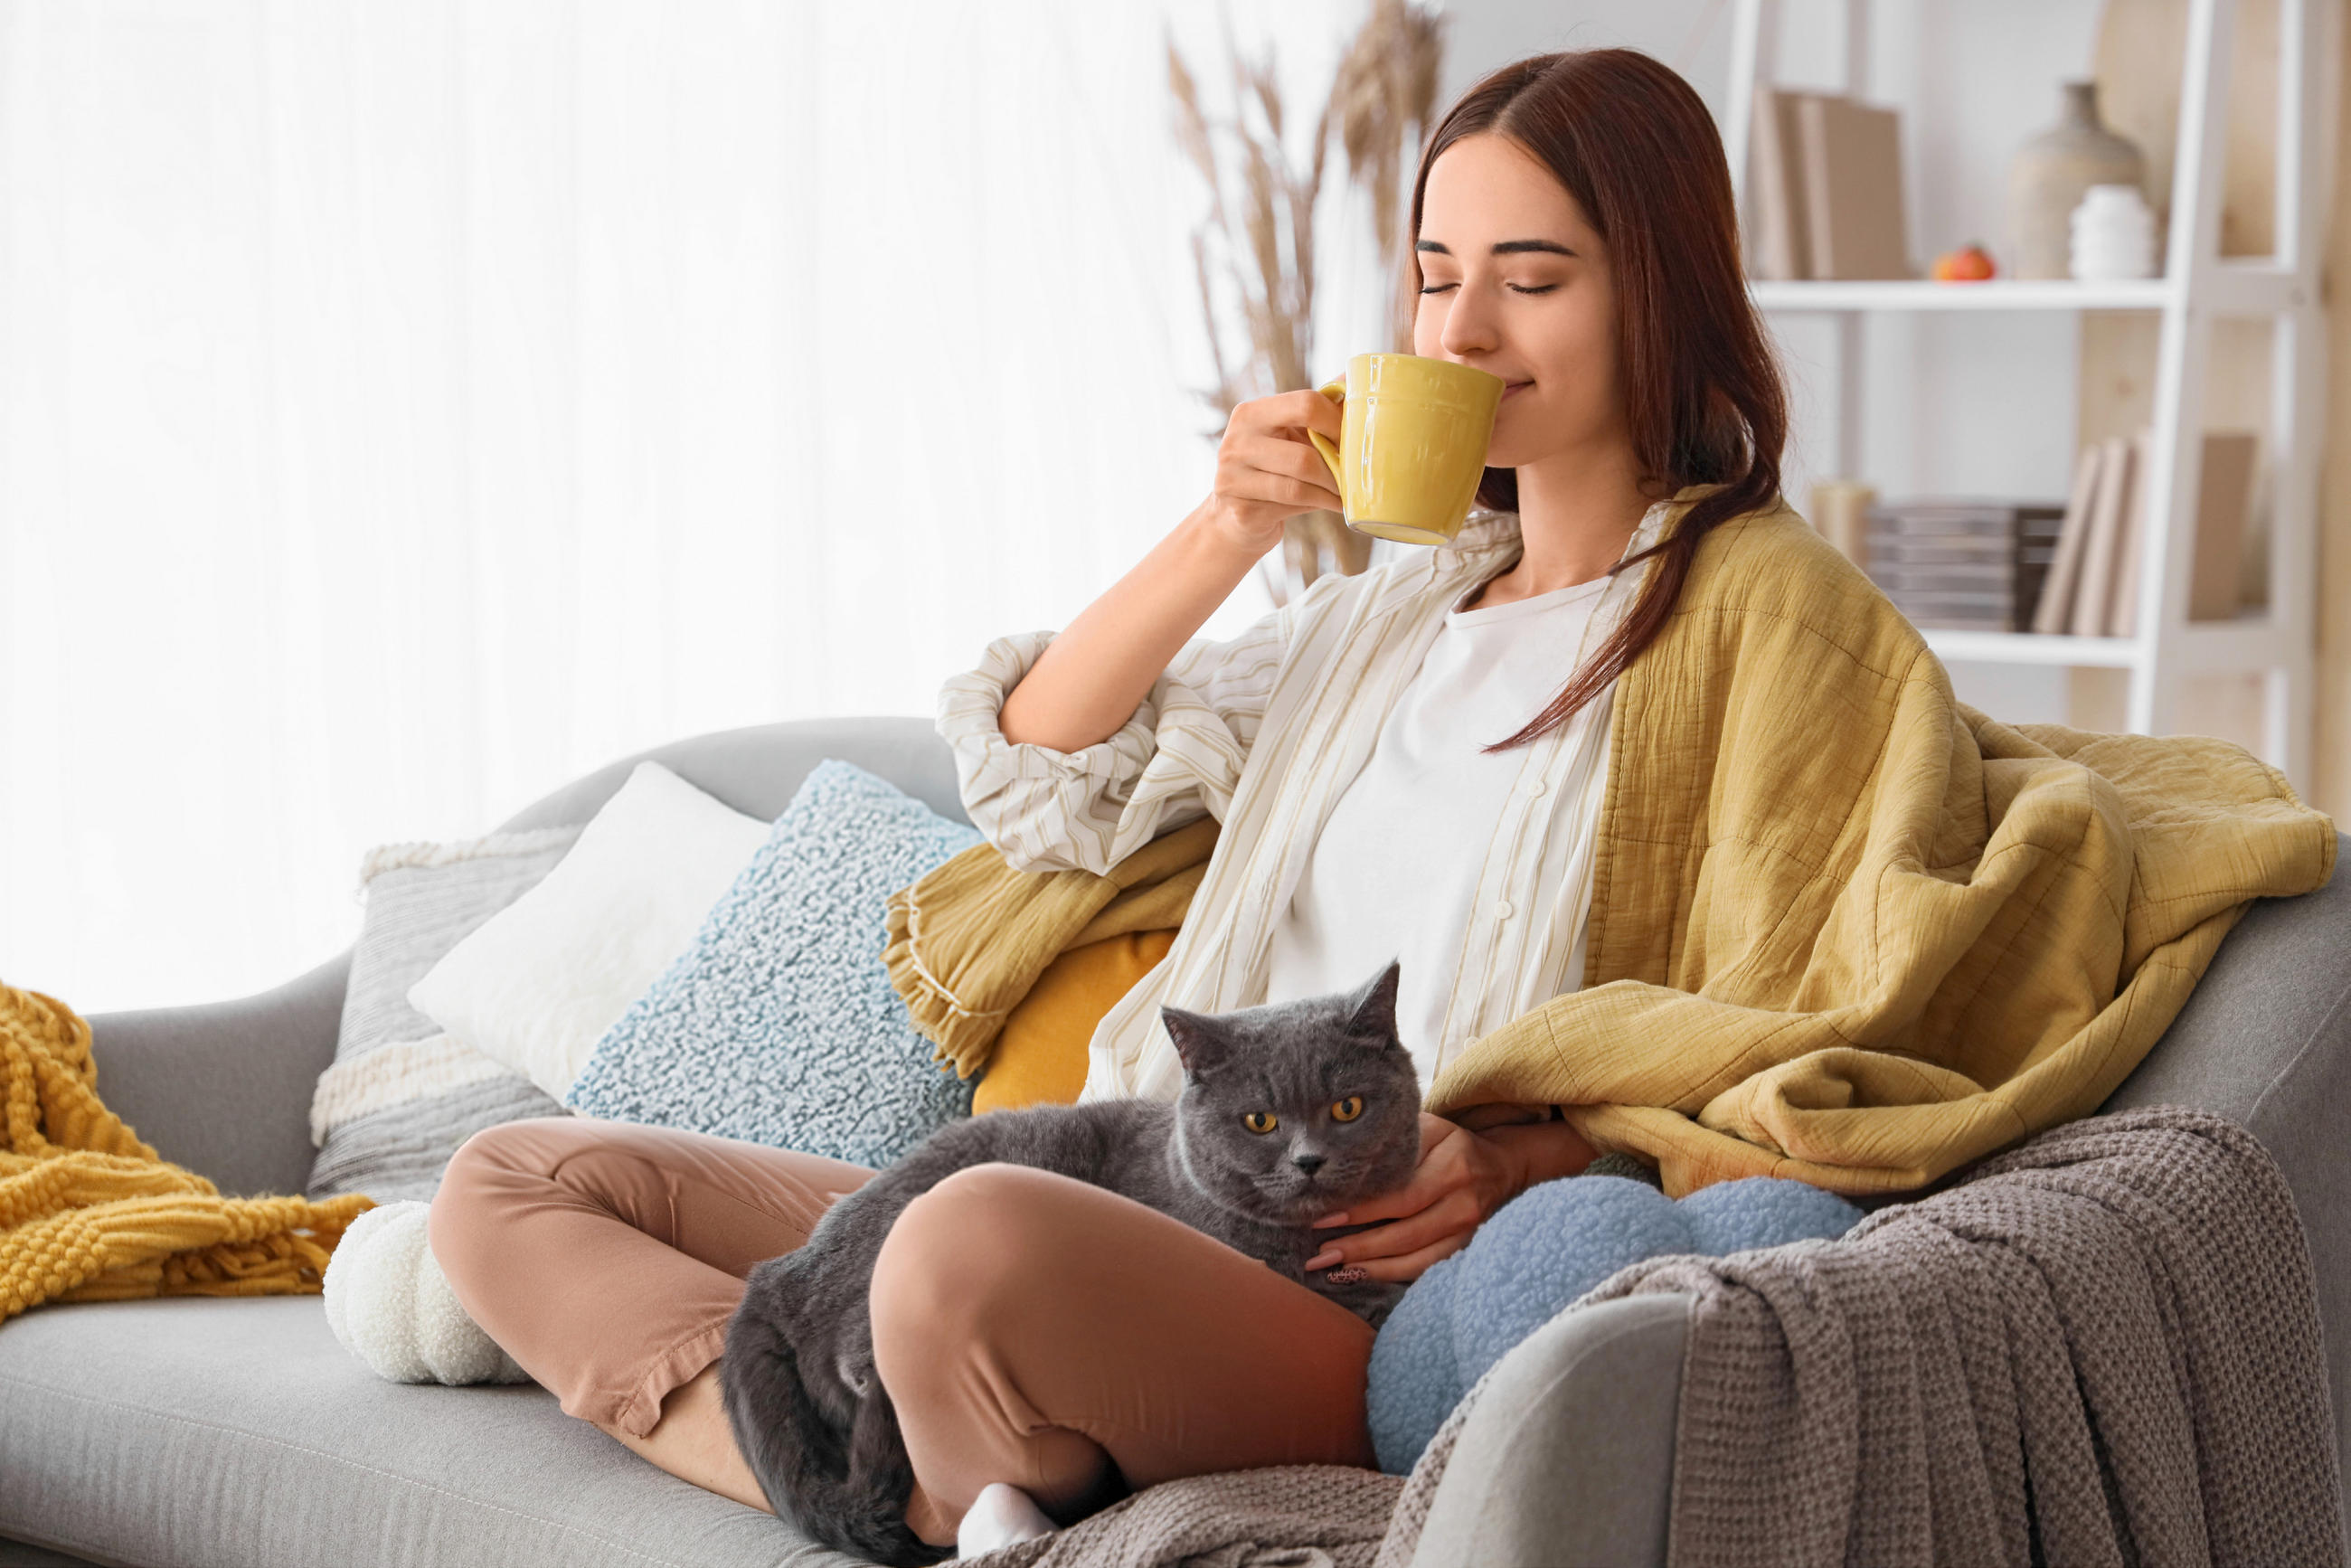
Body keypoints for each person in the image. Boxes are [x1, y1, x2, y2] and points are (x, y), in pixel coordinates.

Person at [430, 45, 1799, 1558]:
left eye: (1529, 280)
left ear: (1658, 292)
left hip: (1357, 1280)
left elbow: (1796, 1039)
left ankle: (953, 1446)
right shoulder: (1382, 620)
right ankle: (921, 1483)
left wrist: (1529, 1161)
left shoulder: (1747, 632)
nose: (1462, 330)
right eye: (1431, 275)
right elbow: (1040, 776)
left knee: (961, 1243)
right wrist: (1228, 523)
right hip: (1146, 1177)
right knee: (516, 1181)